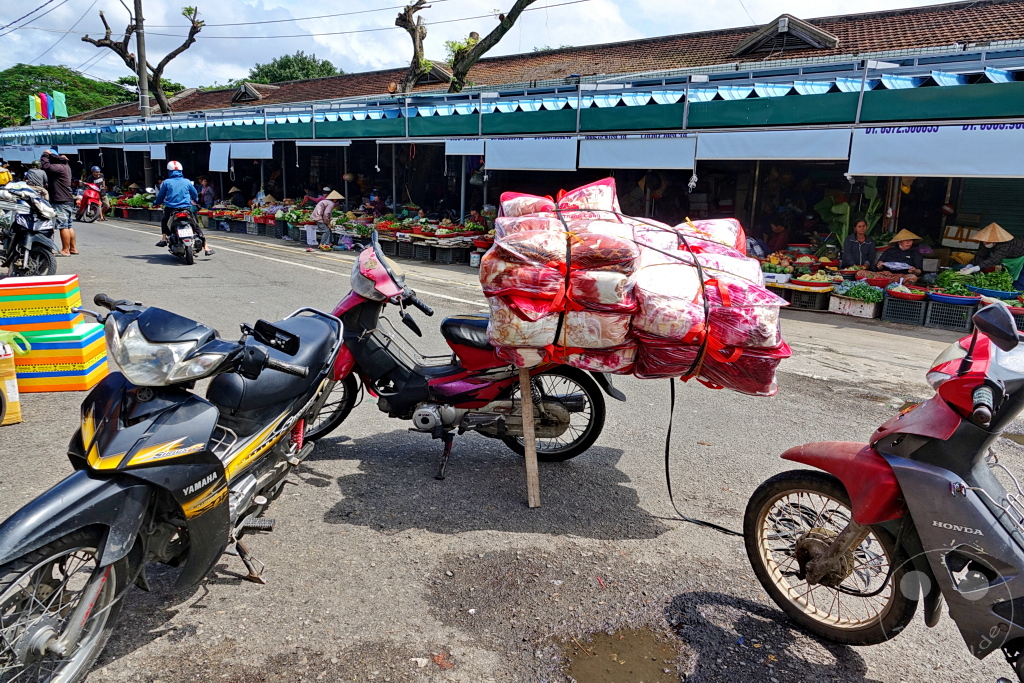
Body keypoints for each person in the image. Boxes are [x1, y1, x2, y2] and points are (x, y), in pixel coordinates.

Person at [153, 161, 214, 256]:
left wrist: (156, 202)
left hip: (171, 208)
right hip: (186, 208)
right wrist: (196, 199)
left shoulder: (166, 182)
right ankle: (206, 247)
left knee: (165, 220)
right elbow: (194, 194)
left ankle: (163, 239)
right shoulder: (187, 181)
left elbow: (160, 197)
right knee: (195, 225)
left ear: (169, 171)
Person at [960, 222, 1024, 288]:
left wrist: (974, 269)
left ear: (995, 241)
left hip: (1021, 258)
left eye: (987, 241)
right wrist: (970, 265)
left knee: (1019, 283)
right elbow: (980, 255)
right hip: (1010, 260)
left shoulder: (1005, 244)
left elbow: (994, 259)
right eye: (983, 241)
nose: (984, 243)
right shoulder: (984, 243)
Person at [41, 150, 77, 256]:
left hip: (61, 200)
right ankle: (73, 248)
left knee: (63, 226)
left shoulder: (59, 167)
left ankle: (65, 250)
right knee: (68, 225)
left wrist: (45, 154)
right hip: (67, 199)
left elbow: (46, 166)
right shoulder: (66, 166)